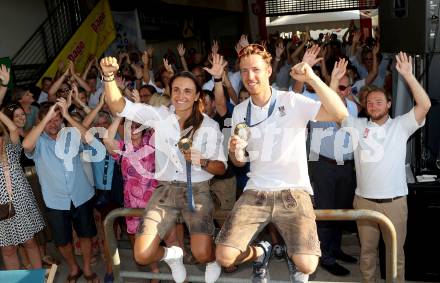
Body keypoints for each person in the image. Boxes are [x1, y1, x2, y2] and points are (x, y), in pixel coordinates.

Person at [214, 44, 349, 283]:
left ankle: (291, 254)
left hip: (293, 191)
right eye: (244, 71)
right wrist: (235, 151)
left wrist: (312, 78)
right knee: (224, 257)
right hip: (256, 191)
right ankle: (261, 252)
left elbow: (339, 114)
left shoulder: (291, 100)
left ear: (268, 70)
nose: (250, 76)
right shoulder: (240, 111)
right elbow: (238, 160)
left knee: (307, 264)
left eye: (255, 69)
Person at [100, 56, 227, 283]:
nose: (181, 96)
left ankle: (212, 259)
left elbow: (221, 168)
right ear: (170, 91)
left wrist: (202, 161)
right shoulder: (160, 115)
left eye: (188, 91)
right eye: (176, 90)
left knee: (201, 253)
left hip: (197, 190)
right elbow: (118, 105)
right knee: (142, 254)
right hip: (165, 190)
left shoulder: (209, 125)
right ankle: (173, 255)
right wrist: (108, 76)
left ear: (197, 95)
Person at [342, 52, 431, 283]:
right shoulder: (357, 126)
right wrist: (334, 83)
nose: (373, 106)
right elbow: (334, 109)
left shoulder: (401, 126)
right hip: (364, 202)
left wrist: (409, 76)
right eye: (369, 103)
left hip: (395, 203)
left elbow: (425, 104)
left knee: (395, 255)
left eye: (379, 101)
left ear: (389, 104)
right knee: (367, 255)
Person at [23, 98, 102, 283]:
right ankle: (74, 268)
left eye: (57, 119)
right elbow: (26, 145)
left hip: (81, 196)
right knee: (62, 241)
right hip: (55, 200)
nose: (53, 123)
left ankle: (88, 268)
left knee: (86, 234)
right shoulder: (38, 141)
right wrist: (47, 117)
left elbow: (89, 137)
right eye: (49, 119)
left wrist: (66, 115)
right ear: (40, 122)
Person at [306, 58, 358, 276]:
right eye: (337, 87)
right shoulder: (319, 107)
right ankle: (325, 257)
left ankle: (336, 250)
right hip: (323, 165)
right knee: (326, 214)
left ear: (349, 91)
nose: (340, 91)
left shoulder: (354, 107)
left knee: (341, 212)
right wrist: (332, 82)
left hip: (346, 166)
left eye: (344, 87)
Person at [0, 111, 45, 270]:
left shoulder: (12, 151)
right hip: (0, 211)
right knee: (8, 248)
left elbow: (13, 128)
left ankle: (37, 278)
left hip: (21, 205)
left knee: (29, 241)